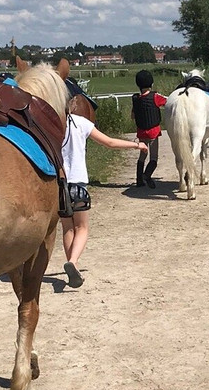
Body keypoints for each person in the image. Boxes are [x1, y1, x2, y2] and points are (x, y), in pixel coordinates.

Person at [60, 113, 147, 288]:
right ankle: (73, 261)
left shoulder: (51, 122)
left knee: (68, 228)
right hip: (78, 184)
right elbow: (109, 142)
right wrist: (136, 145)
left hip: (59, 185)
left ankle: (72, 265)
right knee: (82, 228)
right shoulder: (80, 123)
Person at [131, 70, 167, 187]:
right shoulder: (156, 97)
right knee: (154, 158)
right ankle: (146, 175)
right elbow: (168, 103)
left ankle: (139, 180)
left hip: (141, 132)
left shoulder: (136, 99)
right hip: (153, 132)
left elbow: (132, 116)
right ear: (151, 84)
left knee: (142, 156)